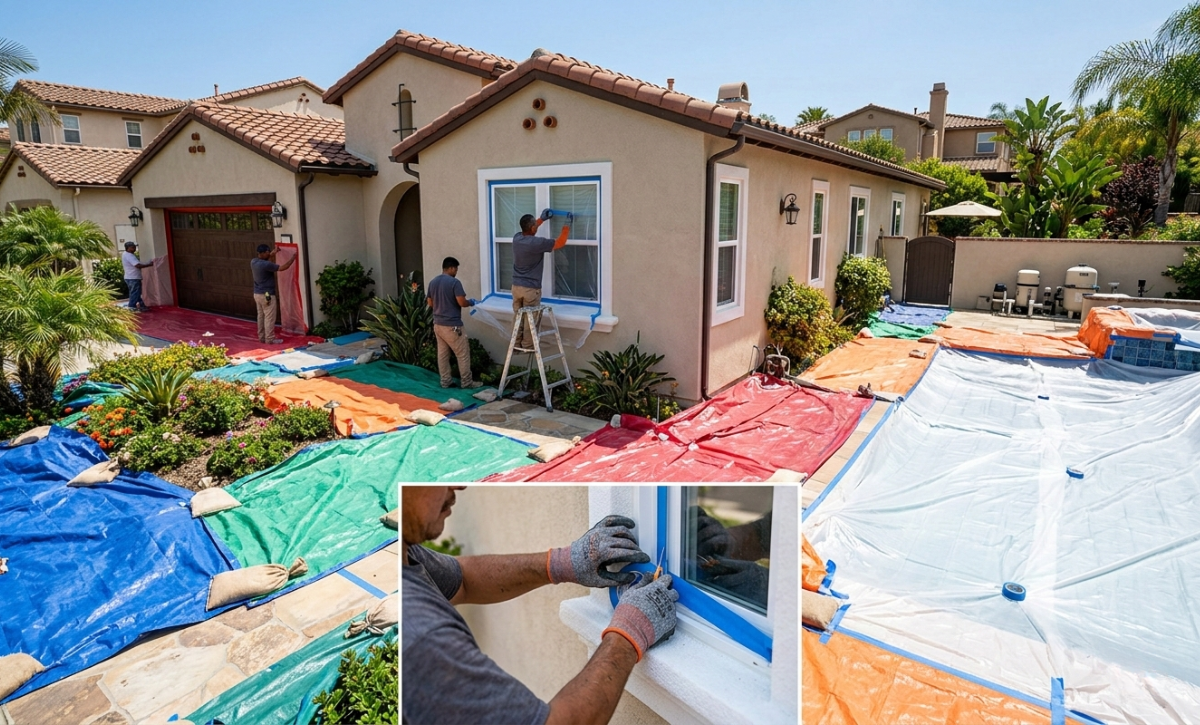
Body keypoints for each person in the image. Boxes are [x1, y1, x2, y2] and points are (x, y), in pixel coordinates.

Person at [403, 487, 678, 725]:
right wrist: (629, 633)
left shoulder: (407, 555)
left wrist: (562, 562)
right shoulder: (422, 638)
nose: (458, 485)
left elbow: (462, 580)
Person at [511, 209, 570, 351]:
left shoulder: (517, 238)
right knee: (530, 320)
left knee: (518, 317)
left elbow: (530, 228)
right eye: (535, 226)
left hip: (516, 287)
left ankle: (515, 344)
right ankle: (528, 346)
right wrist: (567, 224)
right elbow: (560, 242)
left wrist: (541, 220)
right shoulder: (536, 243)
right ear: (532, 228)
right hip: (530, 289)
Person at [426, 257, 482, 389]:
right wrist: (471, 302)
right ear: (450, 268)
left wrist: (441, 308)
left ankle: (445, 381)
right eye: (455, 269)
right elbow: (462, 302)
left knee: (443, 354)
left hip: (438, 324)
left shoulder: (433, 282)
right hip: (452, 325)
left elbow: (430, 303)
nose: (456, 271)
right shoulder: (454, 283)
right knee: (462, 353)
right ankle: (467, 382)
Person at [251, 243, 295, 345]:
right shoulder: (267, 265)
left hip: (257, 294)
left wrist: (272, 254)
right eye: (267, 252)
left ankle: (262, 337)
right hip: (267, 295)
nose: (268, 253)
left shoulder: (253, 262)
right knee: (269, 317)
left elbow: (266, 259)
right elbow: (283, 267)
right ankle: (270, 339)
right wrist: (293, 258)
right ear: (262, 253)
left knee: (261, 316)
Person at [120, 241, 152, 312]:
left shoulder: (125, 254)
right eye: (133, 247)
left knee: (135, 292)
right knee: (135, 293)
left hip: (130, 277)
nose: (134, 248)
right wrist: (149, 264)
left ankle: (141, 305)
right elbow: (137, 265)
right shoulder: (130, 256)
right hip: (133, 277)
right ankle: (132, 307)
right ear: (128, 248)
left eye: (135, 247)